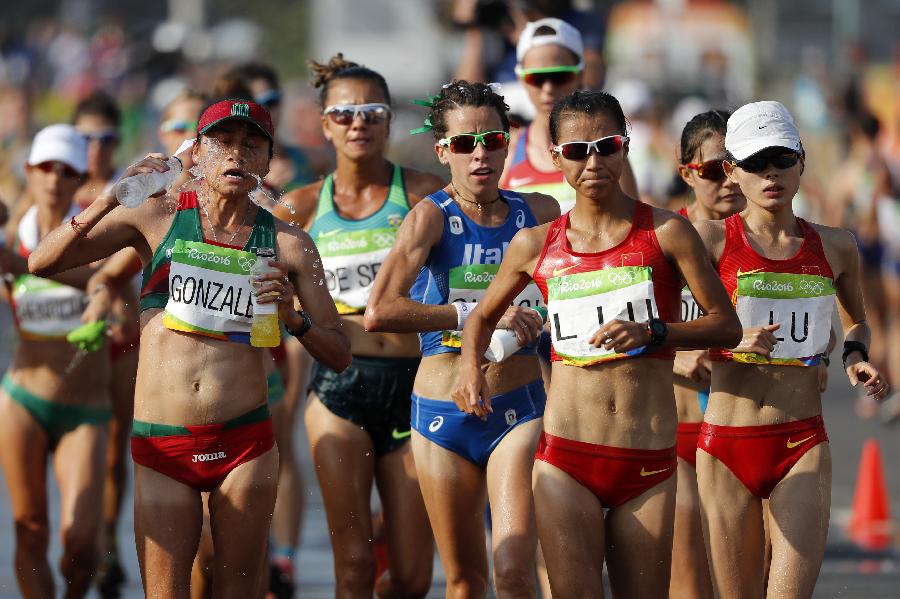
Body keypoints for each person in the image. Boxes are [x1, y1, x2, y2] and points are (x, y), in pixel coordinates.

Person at [28, 98, 351, 597]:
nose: (236, 156)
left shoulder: (289, 244)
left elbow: (338, 352)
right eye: (223, 143)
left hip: (244, 443)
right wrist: (110, 199)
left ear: (267, 161)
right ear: (197, 153)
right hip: (164, 442)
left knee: (237, 591)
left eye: (251, 145)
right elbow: (41, 264)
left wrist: (293, 318)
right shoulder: (155, 216)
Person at [450, 90, 742, 597]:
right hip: (567, 458)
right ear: (557, 157)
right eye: (577, 150)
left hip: (645, 460)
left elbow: (726, 325)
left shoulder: (669, 233)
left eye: (606, 146)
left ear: (625, 148)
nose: (593, 162)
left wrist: (656, 332)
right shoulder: (535, 244)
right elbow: (478, 319)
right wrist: (469, 370)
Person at [366, 80, 559, 598]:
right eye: (463, 144)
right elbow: (380, 310)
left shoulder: (538, 213)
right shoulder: (430, 216)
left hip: (518, 406)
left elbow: (577, 285)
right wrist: (476, 314)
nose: (479, 154)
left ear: (507, 143)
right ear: (441, 151)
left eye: (492, 141)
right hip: (442, 412)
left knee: (516, 574)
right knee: (465, 584)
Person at [696, 101, 889, 598]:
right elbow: (673, 327)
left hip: (800, 442)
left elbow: (858, 322)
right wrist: (728, 337)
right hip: (726, 445)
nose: (771, 174)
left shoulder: (836, 244)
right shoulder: (711, 241)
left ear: (802, 160)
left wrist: (854, 358)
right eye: (756, 163)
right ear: (733, 172)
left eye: (781, 158)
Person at [275, 53, 441, 599]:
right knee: (352, 570)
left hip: (415, 388)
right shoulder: (297, 209)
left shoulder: (423, 193)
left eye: (371, 112)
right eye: (344, 114)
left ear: (389, 120)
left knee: (413, 580)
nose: (358, 124)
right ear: (324, 123)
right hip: (339, 391)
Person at [0, 124, 111, 598]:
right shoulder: (9, 233)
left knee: (81, 542)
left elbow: (107, 282)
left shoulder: (96, 230)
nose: (54, 179)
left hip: (85, 409)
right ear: (29, 171)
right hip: (23, 400)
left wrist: (18, 263)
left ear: (79, 177)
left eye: (66, 171)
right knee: (29, 528)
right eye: (45, 168)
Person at [70, 89, 144, 597]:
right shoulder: (52, 188)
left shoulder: (131, 192)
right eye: (86, 138)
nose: (96, 148)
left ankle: (108, 542)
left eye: (106, 138)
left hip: (122, 335)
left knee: (117, 451)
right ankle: (84, 537)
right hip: (67, 344)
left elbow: (136, 268)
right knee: (77, 451)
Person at [670, 109, 745, 599]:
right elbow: (611, 327)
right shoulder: (660, 239)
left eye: (738, 165)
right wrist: (671, 353)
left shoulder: (767, 240)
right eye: (714, 169)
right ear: (687, 173)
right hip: (677, 431)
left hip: (748, 427)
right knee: (690, 587)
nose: (728, 180)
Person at [501, 18, 638, 213]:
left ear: (580, 75)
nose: (547, 89)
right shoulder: (507, 151)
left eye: (559, 76)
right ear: (521, 79)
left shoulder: (606, 150)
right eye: (536, 78)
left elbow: (635, 230)